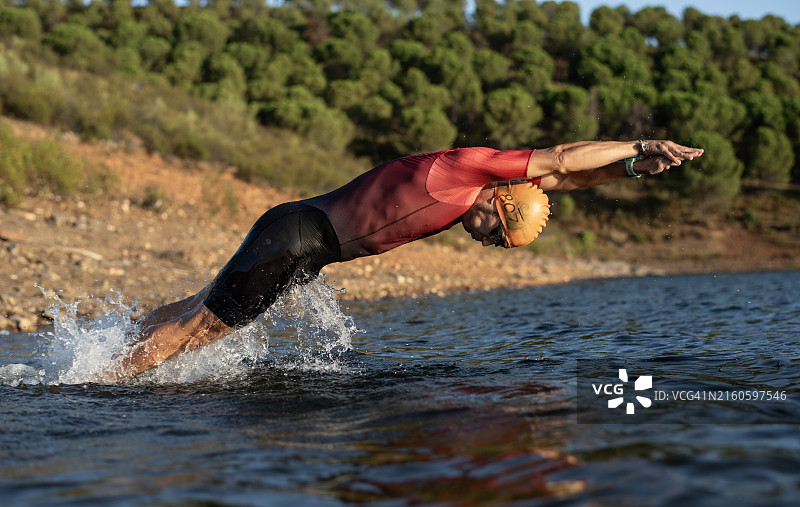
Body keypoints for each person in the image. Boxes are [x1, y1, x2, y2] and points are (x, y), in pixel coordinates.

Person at [104, 139, 703, 381]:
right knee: (199, 331)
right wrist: (640, 143)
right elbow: (563, 159)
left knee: (195, 316)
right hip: (302, 237)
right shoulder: (470, 168)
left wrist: (627, 172)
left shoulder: (480, 190)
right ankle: (94, 388)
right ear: (499, 200)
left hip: (303, 242)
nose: (488, 244)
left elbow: (566, 181)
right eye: (497, 235)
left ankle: (104, 351)